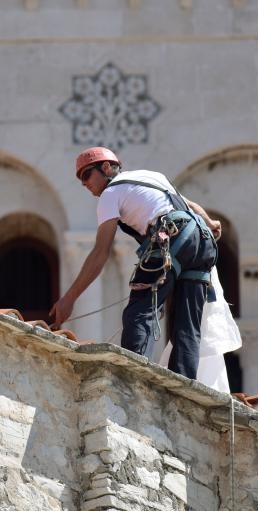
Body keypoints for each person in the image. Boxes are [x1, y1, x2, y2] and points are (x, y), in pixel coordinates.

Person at [50, 147, 222, 380]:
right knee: (186, 325)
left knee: (139, 312)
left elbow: (100, 252)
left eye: (86, 175)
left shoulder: (111, 194)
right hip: (202, 242)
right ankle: (185, 388)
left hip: (171, 237)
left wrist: (69, 298)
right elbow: (191, 206)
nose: (84, 184)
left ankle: (131, 380)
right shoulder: (152, 176)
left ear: (106, 168)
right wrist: (210, 223)